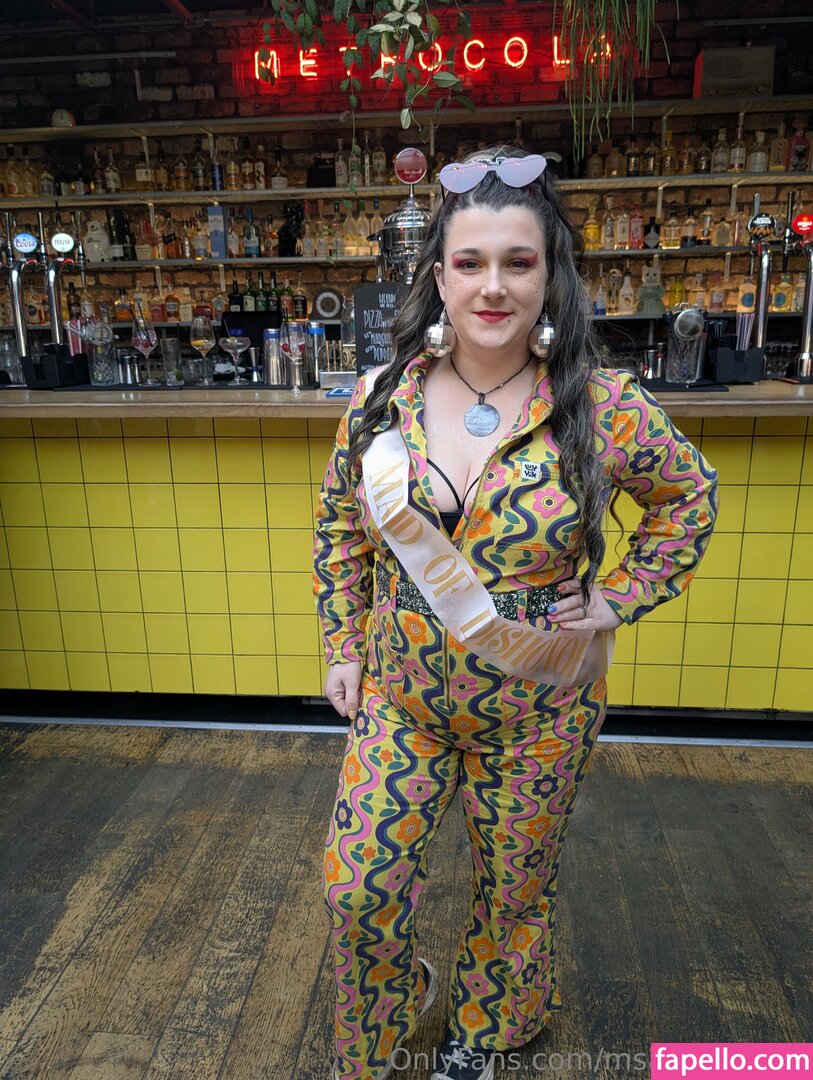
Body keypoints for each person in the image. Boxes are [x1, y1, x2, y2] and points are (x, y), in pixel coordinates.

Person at [313, 145, 718, 1080]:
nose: (492, 286)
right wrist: (342, 644)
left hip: (540, 706)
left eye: (517, 262)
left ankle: (487, 1030)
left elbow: (688, 497)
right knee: (357, 888)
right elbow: (339, 524)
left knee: (513, 891)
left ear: (549, 276)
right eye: (470, 262)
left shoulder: (603, 406)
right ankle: (377, 1028)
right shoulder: (380, 401)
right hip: (402, 701)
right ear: (439, 277)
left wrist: (618, 597)